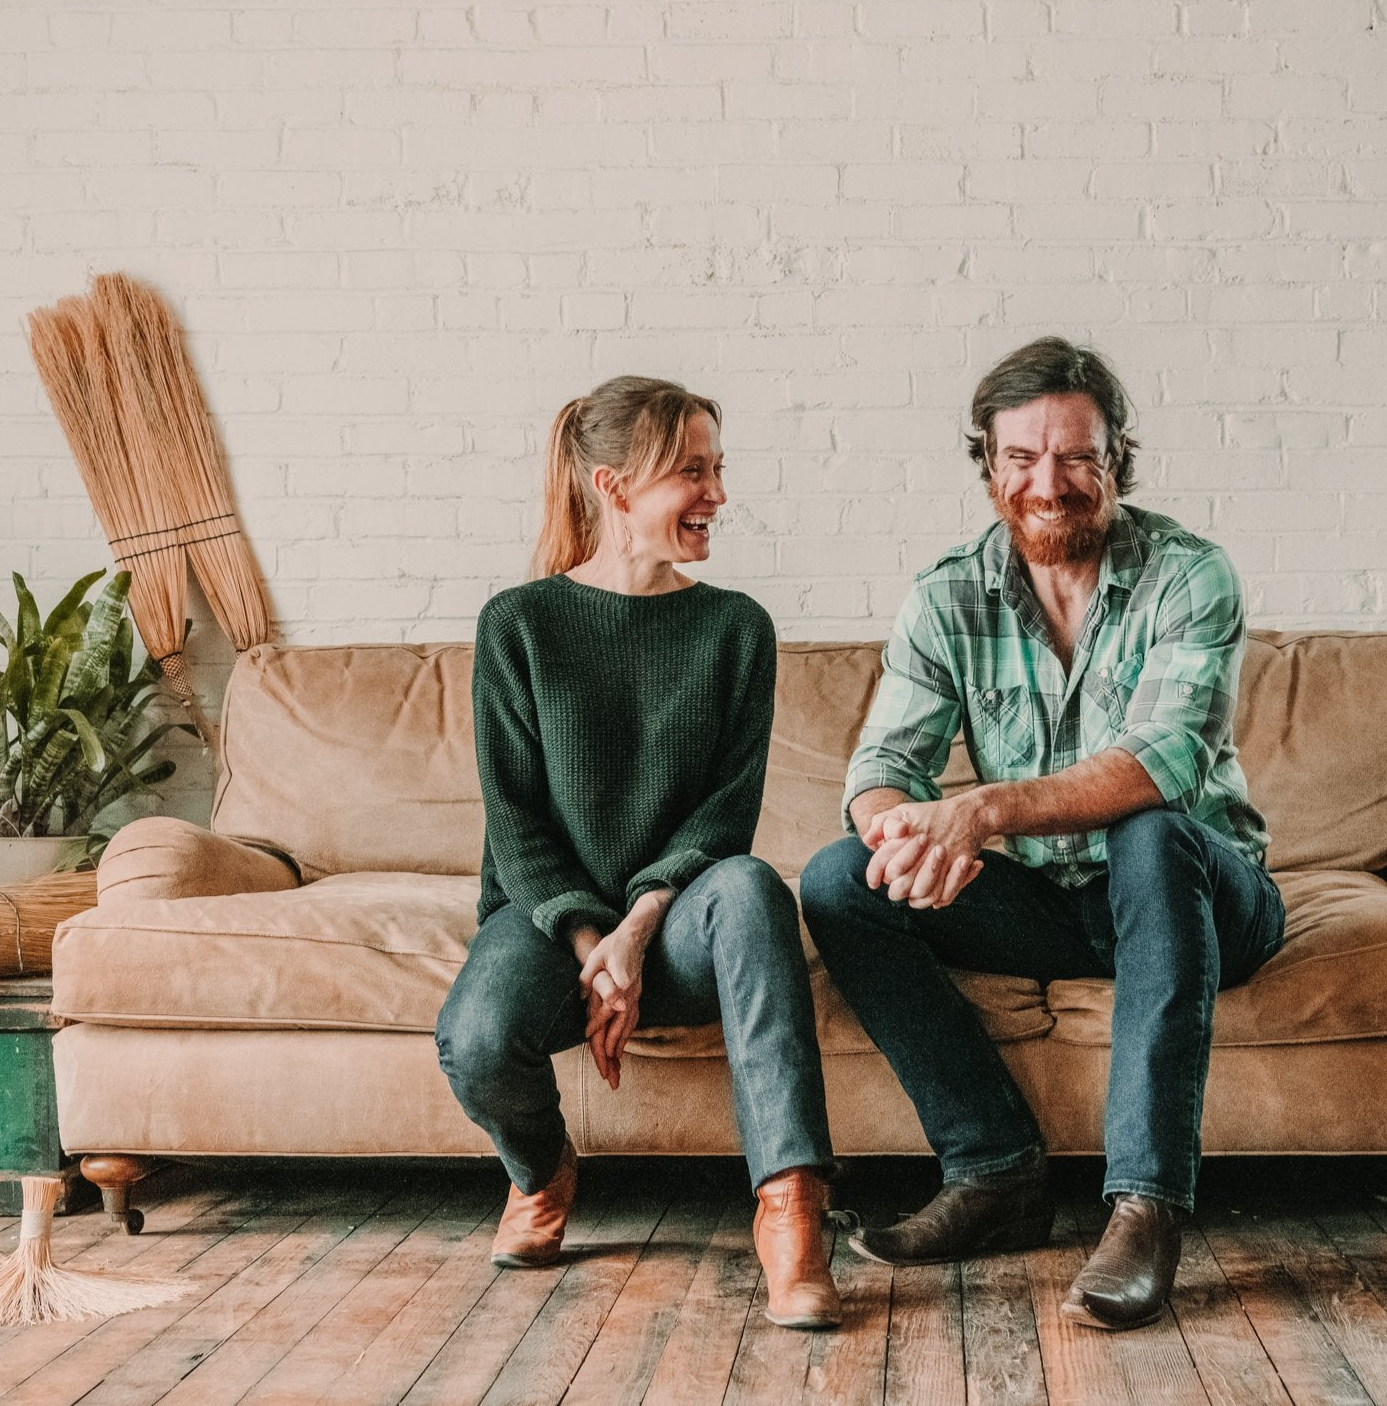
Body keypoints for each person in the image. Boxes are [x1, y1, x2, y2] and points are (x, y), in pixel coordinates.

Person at [799, 337, 1286, 1331]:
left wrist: (976, 811)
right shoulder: (946, 595)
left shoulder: (1188, 576)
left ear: (1119, 460)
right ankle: (995, 1170)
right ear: (987, 464)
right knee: (838, 879)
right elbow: (883, 762)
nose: (1047, 483)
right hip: (1052, 903)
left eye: (1076, 456)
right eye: (1021, 457)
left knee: (1151, 833)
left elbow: (1161, 762)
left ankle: (1144, 1208)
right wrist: (902, 837)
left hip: (1200, 894)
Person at [435, 376, 841, 1330]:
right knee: (477, 1039)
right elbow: (517, 825)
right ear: (615, 487)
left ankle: (792, 1215)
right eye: (691, 473)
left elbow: (723, 819)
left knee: (750, 886)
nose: (717, 495)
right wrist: (590, 945)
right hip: (549, 926)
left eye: (718, 469)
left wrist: (639, 927)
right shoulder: (519, 623)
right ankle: (542, 1175)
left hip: (688, 925)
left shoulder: (735, 628)